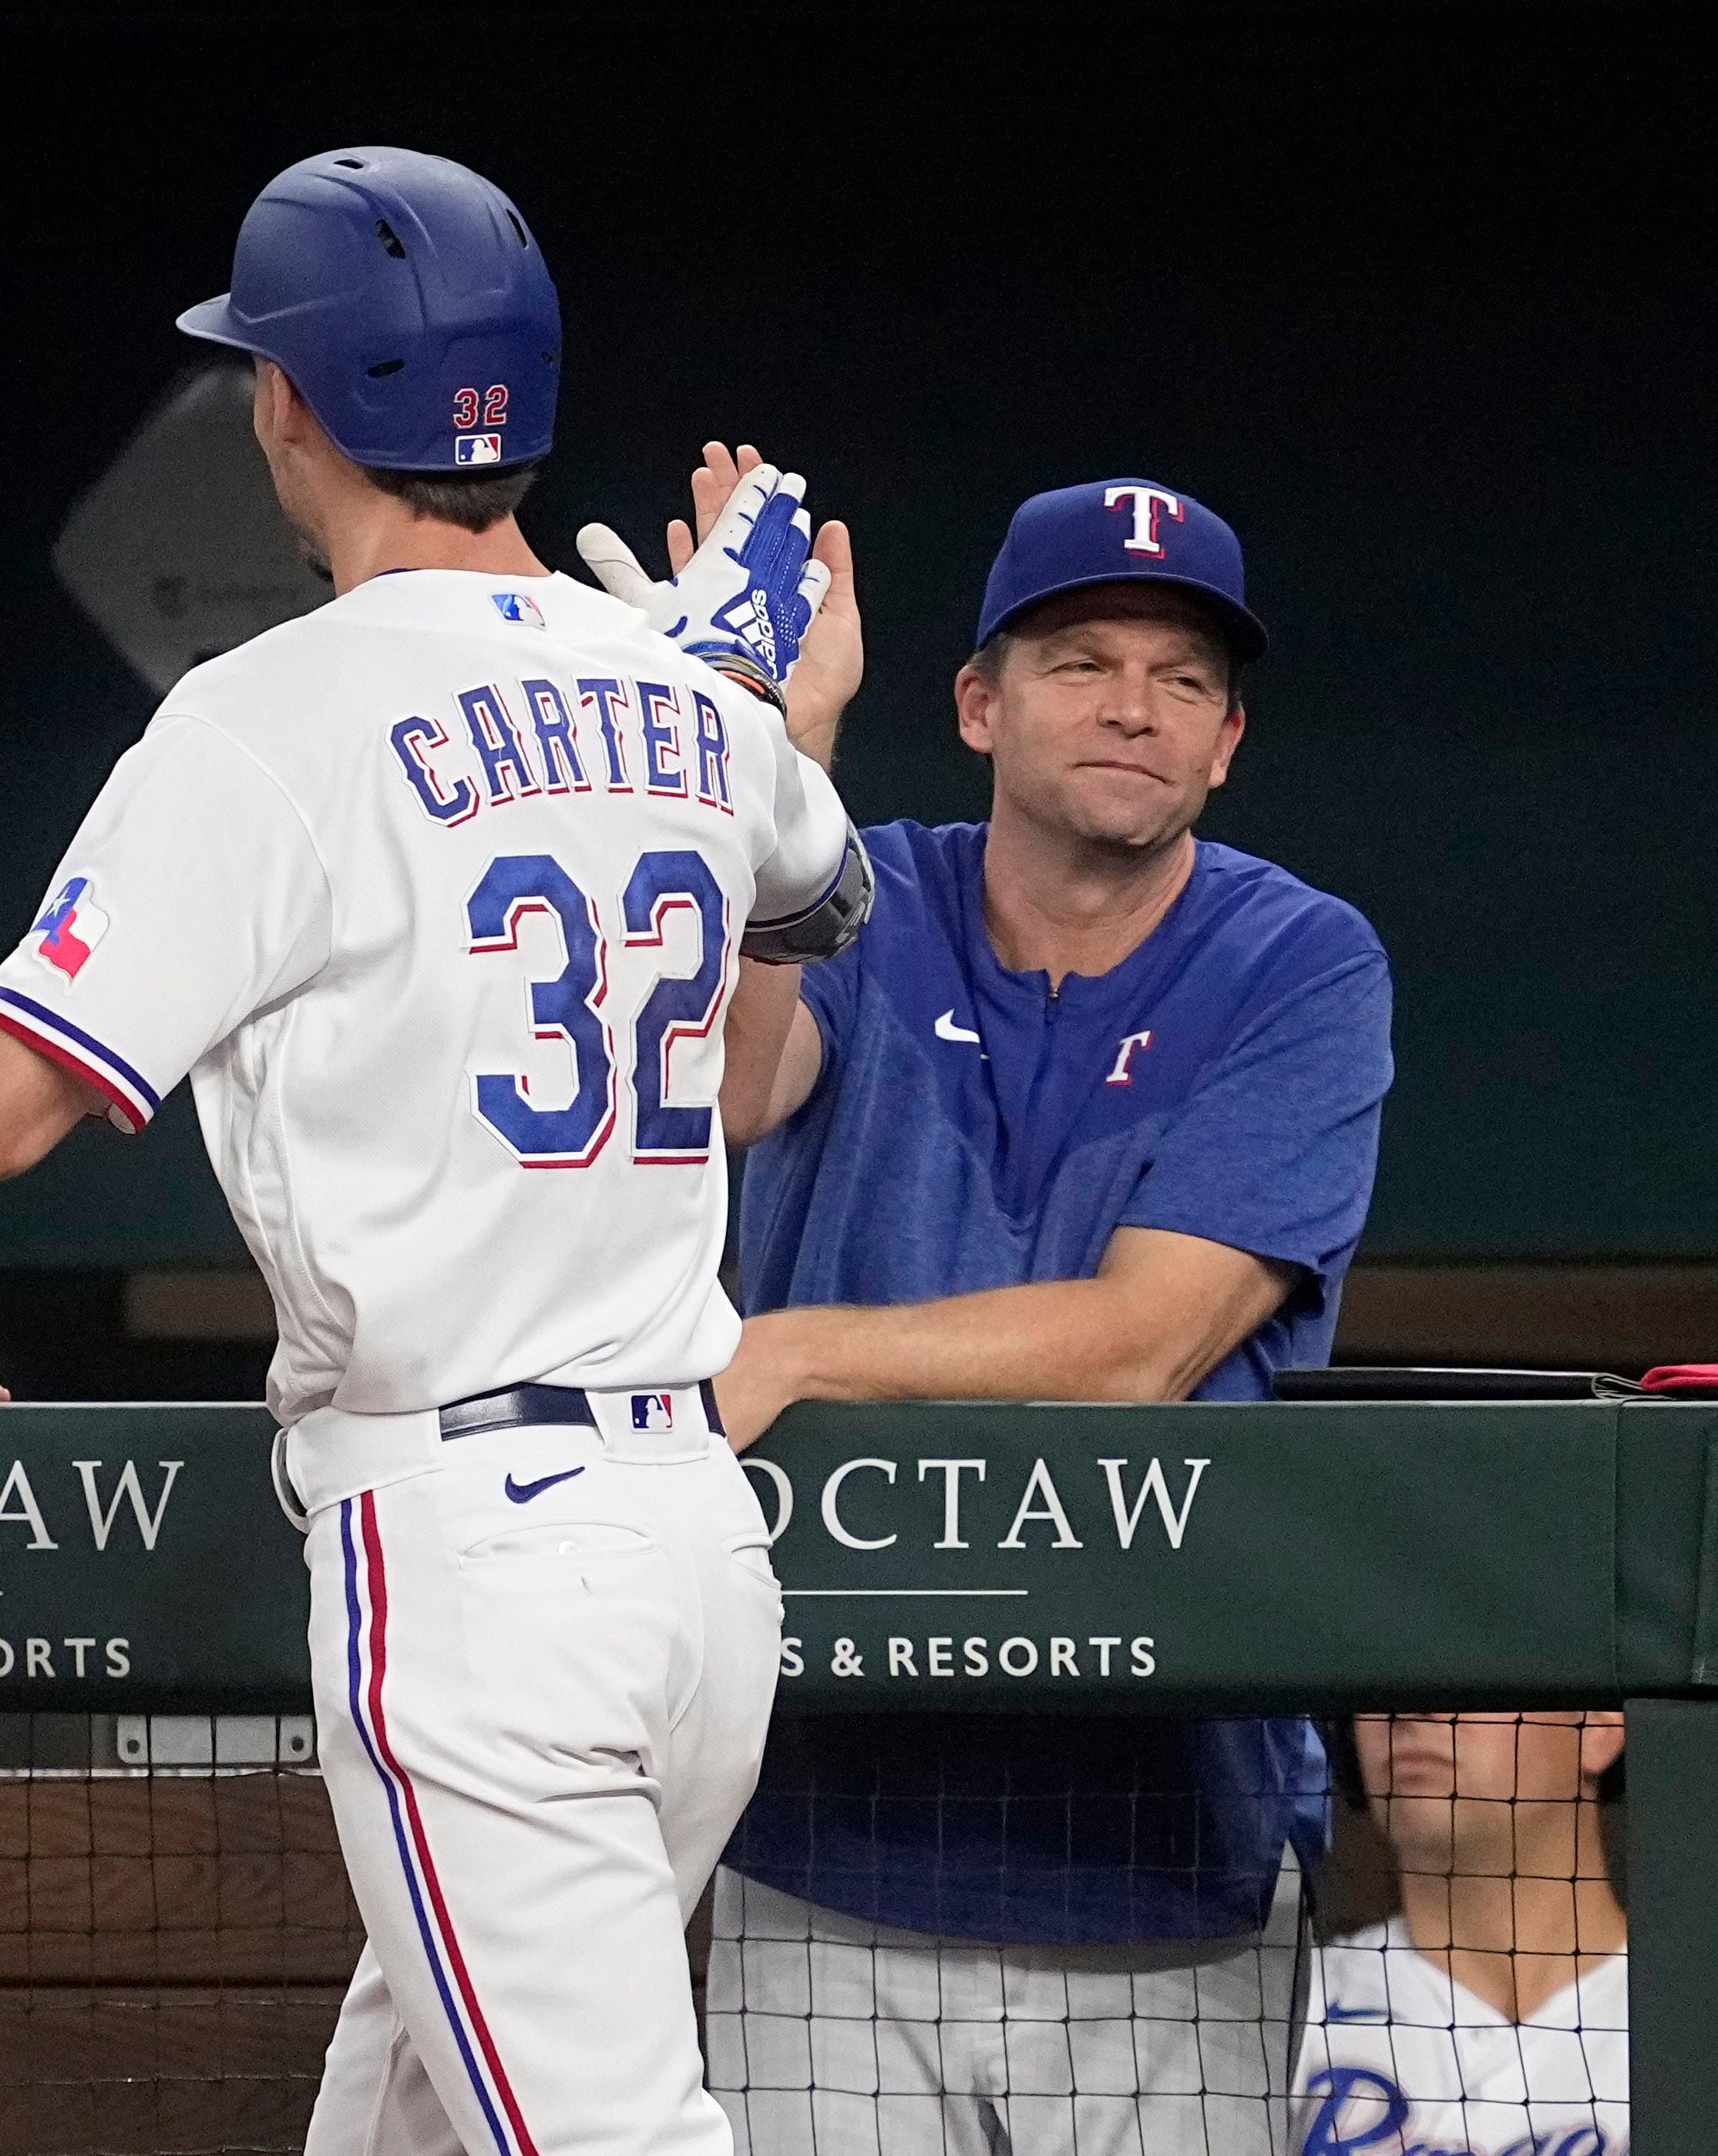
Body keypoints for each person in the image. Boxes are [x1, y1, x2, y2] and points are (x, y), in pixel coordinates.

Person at [0, 146, 874, 2156]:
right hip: (692, 1562)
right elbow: (795, 953)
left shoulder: (264, 717)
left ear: (282, 402)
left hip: (481, 1555)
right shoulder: (685, 700)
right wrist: (752, 698)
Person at [700, 479, 1396, 2155]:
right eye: (1080, 657)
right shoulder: (851, 896)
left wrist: (798, 1351)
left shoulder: (1297, 960)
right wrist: (773, 763)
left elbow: (1143, 1347)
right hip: (820, 1833)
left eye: (1177, 678)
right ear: (975, 702)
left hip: (1165, 1853)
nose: (1129, 707)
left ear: (1224, 740)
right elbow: (724, 1092)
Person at [1295, 1712, 1629, 2155]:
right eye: (1385, 1668)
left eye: (1471, 1656)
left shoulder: (1696, 2020)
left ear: (1599, 1725)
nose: (1411, 1709)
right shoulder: (1277, 2008)